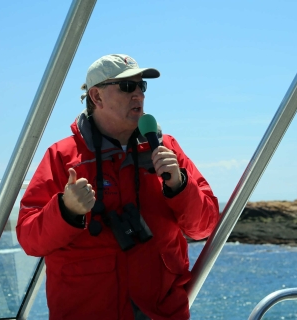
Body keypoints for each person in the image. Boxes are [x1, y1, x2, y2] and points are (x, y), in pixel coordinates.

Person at [16, 54, 220, 320]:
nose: (138, 95)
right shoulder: (63, 157)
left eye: (141, 86)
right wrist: (66, 210)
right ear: (97, 97)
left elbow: (203, 227)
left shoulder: (166, 148)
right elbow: (30, 239)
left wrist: (180, 185)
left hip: (160, 312)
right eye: (127, 87)